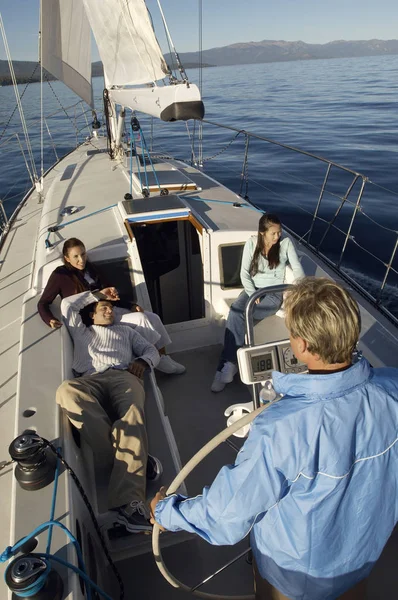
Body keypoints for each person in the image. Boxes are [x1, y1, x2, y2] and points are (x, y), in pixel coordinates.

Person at [151, 277, 398, 599]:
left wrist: (168, 513)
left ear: (301, 346)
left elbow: (229, 513)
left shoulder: (280, 428)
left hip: (295, 578)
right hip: (359, 561)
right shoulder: (392, 388)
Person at [57, 287, 161, 533]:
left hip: (123, 376)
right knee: (66, 391)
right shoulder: (82, 332)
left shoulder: (126, 331)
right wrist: (97, 294)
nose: (109, 310)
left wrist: (142, 362)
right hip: (89, 379)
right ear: (92, 315)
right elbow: (67, 306)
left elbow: (152, 351)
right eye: (103, 308)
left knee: (132, 416)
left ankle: (127, 503)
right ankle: (130, 457)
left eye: (112, 308)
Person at [38, 237, 185, 375]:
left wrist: (130, 305)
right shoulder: (60, 275)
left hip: (108, 309)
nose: (81, 260)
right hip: (94, 318)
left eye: (83, 254)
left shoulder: (91, 269)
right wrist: (49, 319)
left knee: (152, 317)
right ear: (67, 258)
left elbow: (108, 293)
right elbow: (43, 302)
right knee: (141, 319)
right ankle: (157, 360)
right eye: (75, 256)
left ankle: (163, 356)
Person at [211, 213, 304, 392]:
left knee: (238, 318)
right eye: (273, 233)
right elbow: (244, 274)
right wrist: (253, 294)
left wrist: (302, 287)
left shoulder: (285, 244)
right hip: (251, 290)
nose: (278, 237)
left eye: (279, 232)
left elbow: (298, 269)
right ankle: (230, 363)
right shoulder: (252, 243)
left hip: (273, 294)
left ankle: (226, 365)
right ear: (262, 233)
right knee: (236, 313)